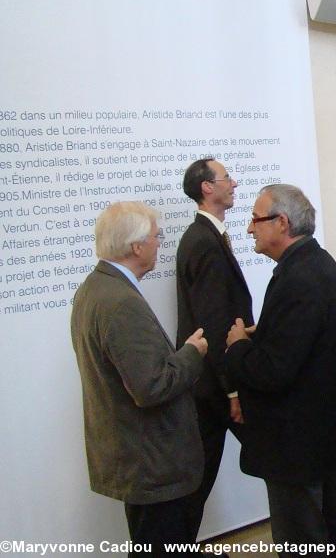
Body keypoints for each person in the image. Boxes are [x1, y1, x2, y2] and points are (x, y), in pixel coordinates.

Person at [217, 184, 336, 555]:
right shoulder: (313, 264)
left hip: (297, 441)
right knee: (330, 525)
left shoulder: (299, 278)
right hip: (318, 433)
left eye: (255, 219)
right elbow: (302, 344)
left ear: (282, 223)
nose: (250, 228)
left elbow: (273, 371)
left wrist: (237, 346)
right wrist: (262, 334)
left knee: (303, 538)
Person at [71, 201, 208, 552]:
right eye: (156, 237)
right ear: (136, 246)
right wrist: (192, 354)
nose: (159, 244)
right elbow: (151, 387)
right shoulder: (120, 302)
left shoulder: (94, 287)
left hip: (134, 454)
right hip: (151, 460)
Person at [176, 158, 254, 535]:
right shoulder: (204, 242)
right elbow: (214, 322)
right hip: (216, 385)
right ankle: (323, 530)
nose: (234, 183)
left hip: (208, 383)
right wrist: (233, 388)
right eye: (226, 178)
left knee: (198, 477)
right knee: (280, 453)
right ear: (207, 187)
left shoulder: (206, 237)